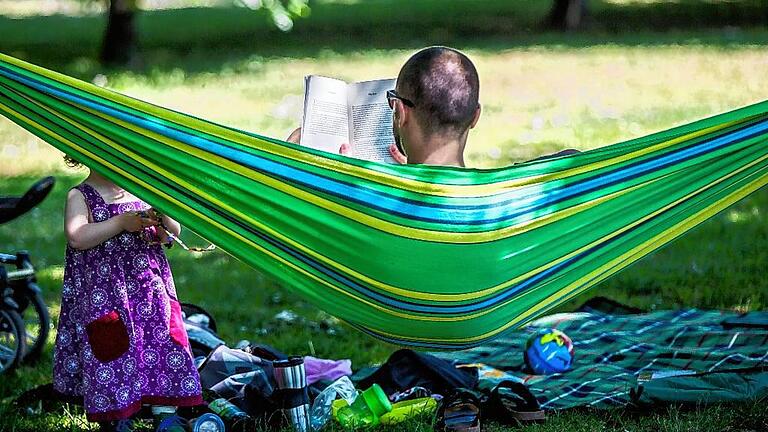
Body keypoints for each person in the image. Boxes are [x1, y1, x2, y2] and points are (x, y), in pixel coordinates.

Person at [53, 156, 202, 431]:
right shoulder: (80, 195)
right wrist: (121, 223)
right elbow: (77, 236)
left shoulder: (142, 190)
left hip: (150, 294)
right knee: (112, 352)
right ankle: (117, 416)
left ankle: (165, 413)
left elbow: (173, 231)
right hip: (107, 298)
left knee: (161, 345)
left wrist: (161, 218)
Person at [287, 45, 577, 165]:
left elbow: (296, 146)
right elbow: (573, 158)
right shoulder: (500, 197)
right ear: (475, 116)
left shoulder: (371, 202)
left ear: (400, 113)